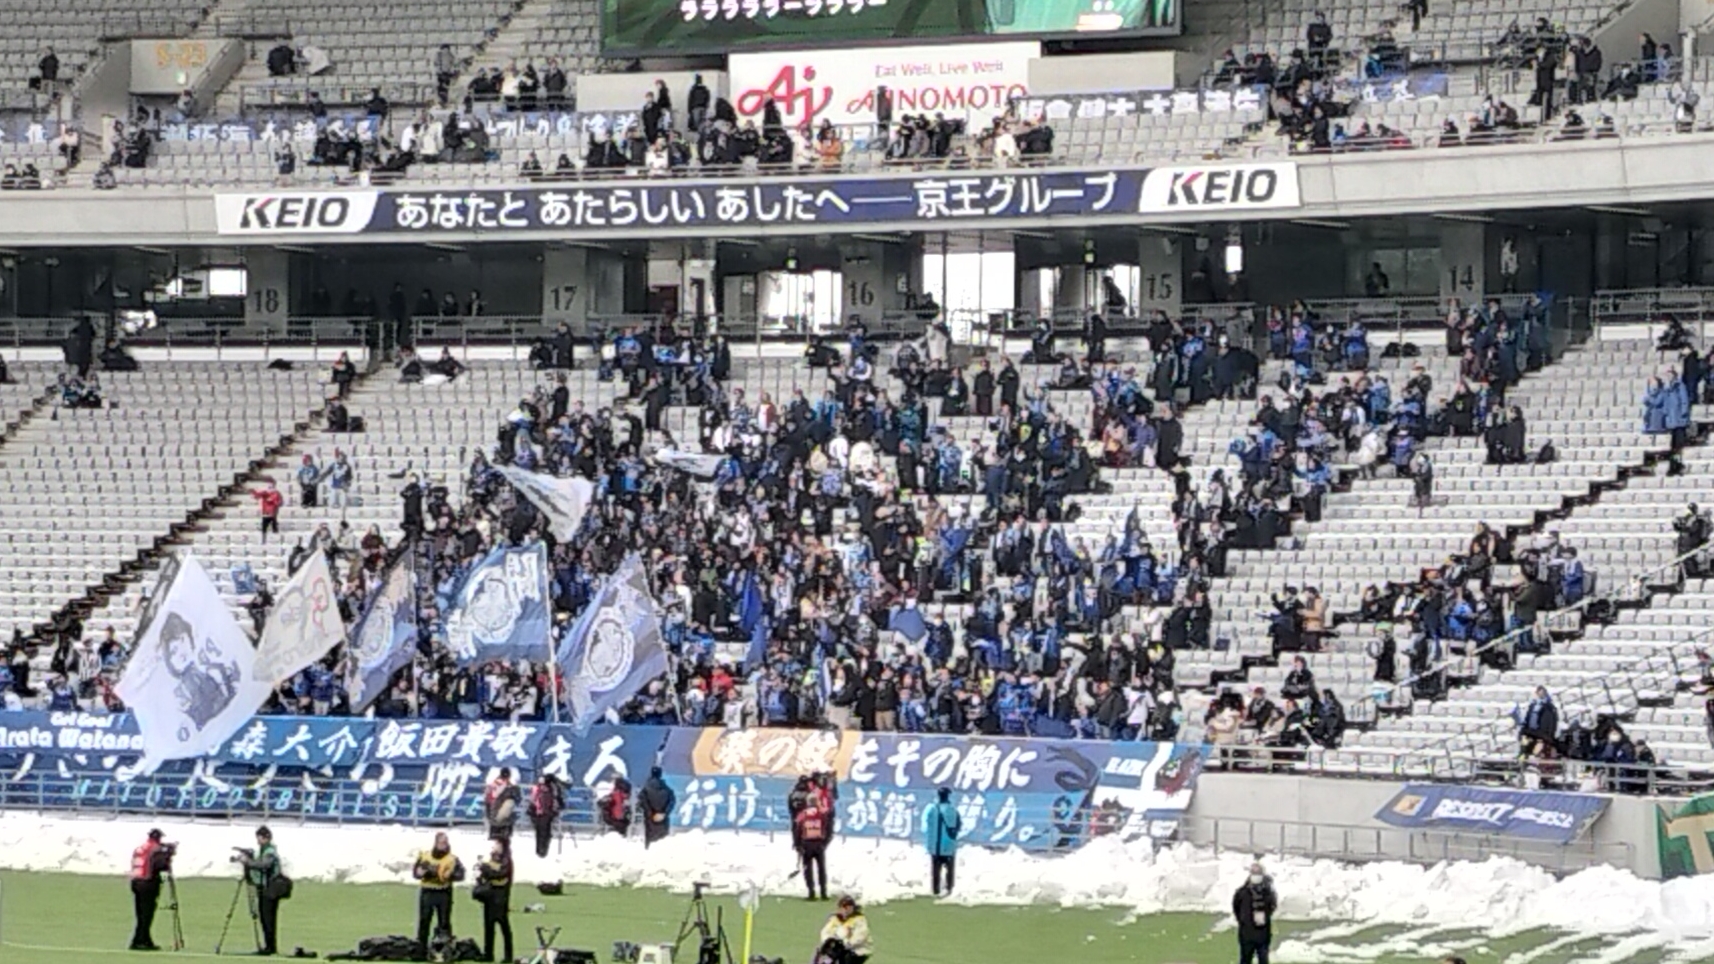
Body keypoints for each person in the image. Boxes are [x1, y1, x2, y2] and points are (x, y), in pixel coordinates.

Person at [413, 831, 464, 957]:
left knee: (444, 923)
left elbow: (461, 874)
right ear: (436, 843)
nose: (443, 845)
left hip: (444, 892)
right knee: (424, 921)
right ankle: (421, 951)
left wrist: (450, 875)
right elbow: (416, 873)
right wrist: (423, 871)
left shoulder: (452, 859)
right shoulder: (425, 856)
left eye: (445, 843)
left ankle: (445, 952)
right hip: (428, 891)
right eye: (441, 843)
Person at [241, 826, 284, 956]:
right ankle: (268, 945)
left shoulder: (269, 851)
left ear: (265, 838)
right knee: (265, 917)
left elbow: (264, 865)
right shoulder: (263, 850)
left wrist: (248, 862)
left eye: (259, 838)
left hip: (270, 888)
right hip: (265, 887)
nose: (258, 841)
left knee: (268, 918)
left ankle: (270, 947)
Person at [130, 828, 174, 950]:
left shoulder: (141, 848)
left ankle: (143, 939)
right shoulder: (155, 849)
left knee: (141, 914)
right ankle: (140, 940)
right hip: (147, 882)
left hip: (136, 881)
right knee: (146, 914)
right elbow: (160, 866)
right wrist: (168, 857)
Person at [474, 839, 513, 964]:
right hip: (489, 896)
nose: (494, 847)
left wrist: (485, 869)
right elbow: (484, 877)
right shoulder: (490, 860)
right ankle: (488, 953)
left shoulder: (507, 861)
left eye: (497, 845)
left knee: (504, 926)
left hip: (501, 897)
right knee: (488, 926)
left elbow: (500, 874)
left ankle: (508, 956)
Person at [1233, 862, 1277, 964]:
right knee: (1246, 959)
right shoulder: (1242, 892)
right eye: (1254, 873)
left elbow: (1272, 907)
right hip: (1247, 934)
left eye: (1258, 873)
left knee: (1262, 960)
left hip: (1262, 934)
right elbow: (1236, 908)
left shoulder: (1268, 892)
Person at [794, 786, 831, 900]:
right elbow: (827, 829)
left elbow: (798, 830)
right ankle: (823, 892)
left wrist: (797, 844)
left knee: (808, 869)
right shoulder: (821, 814)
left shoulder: (803, 815)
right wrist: (825, 842)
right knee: (821, 868)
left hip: (807, 844)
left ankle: (811, 892)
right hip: (819, 844)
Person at [922, 786, 960, 896]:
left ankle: (936, 890)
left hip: (935, 846)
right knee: (950, 870)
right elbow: (958, 826)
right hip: (949, 845)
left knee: (935, 871)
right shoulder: (953, 810)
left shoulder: (932, 809)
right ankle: (949, 889)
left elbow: (926, 827)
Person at [815, 896, 872, 964]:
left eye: (850, 908)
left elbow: (860, 936)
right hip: (840, 947)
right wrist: (828, 940)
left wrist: (846, 943)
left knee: (846, 960)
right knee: (825, 955)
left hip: (858, 950)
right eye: (844, 907)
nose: (847, 910)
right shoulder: (835, 918)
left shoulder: (859, 919)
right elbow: (825, 931)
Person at [527, 774, 564, 858]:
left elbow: (533, 799)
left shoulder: (538, 788)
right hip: (547, 813)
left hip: (538, 812)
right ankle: (543, 850)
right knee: (545, 832)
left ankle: (539, 850)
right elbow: (558, 800)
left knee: (539, 832)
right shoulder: (554, 789)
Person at [639, 766, 675, 848]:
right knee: (662, 844)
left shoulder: (646, 789)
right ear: (660, 774)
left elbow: (642, 802)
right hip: (663, 821)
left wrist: (651, 813)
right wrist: (664, 813)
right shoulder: (667, 789)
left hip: (650, 821)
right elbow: (672, 802)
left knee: (650, 844)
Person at [484, 767, 520, 842]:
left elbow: (488, 796)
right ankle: (502, 836)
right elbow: (516, 797)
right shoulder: (510, 786)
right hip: (500, 811)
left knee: (495, 822)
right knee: (502, 822)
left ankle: (495, 835)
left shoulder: (494, 784)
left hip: (493, 808)